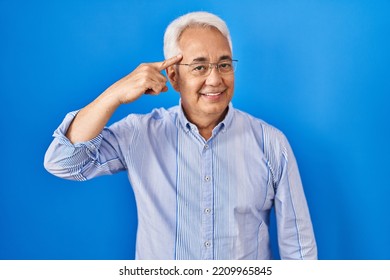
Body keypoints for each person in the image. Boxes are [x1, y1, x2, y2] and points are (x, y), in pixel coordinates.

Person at [44, 11, 317, 260]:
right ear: (173, 77)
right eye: (199, 67)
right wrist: (114, 95)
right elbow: (63, 161)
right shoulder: (141, 133)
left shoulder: (271, 143)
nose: (215, 79)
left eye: (224, 65)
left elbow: (299, 249)